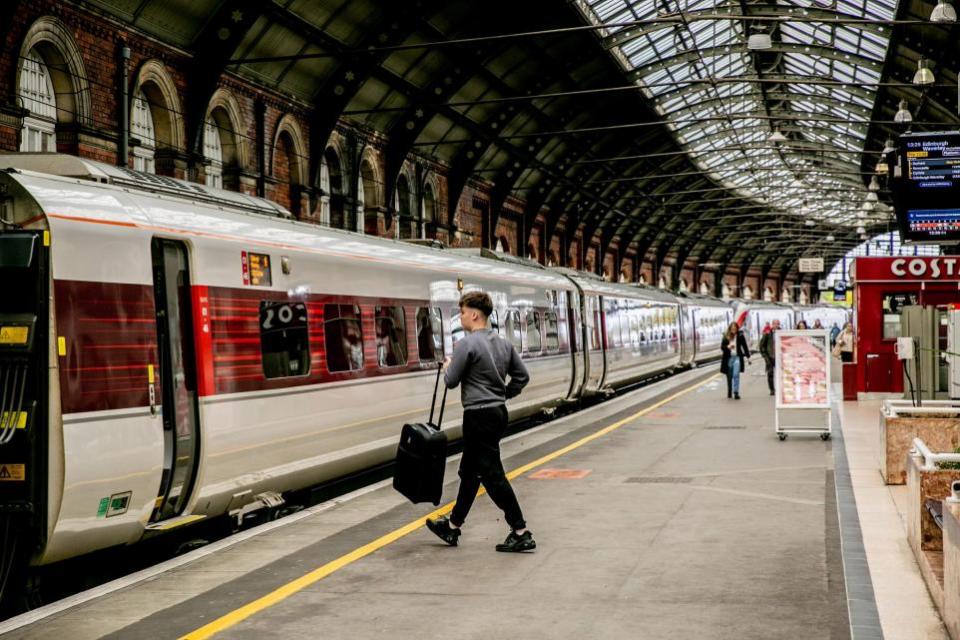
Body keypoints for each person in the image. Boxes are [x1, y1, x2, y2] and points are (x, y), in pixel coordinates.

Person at [425, 291, 534, 553]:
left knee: (492, 474)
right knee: (471, 472)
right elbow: (522, 377)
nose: (460, 316)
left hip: (477, 416)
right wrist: (503, 394)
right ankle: (452, 526)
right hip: (497, 413)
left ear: (475, 314)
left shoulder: (466, 344)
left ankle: (520, 530)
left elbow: (451, 381)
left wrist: (449, 365)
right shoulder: (504, 344)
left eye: (462, 312)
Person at [720, 321, 750, 400]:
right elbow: (722, 347)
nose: (734, 330)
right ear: (730, 329)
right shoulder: (726, 336)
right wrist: (728, 347)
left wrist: (748, 357)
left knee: (736, 374)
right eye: (732, 328)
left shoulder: (740, 336)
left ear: (737, 329)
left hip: (737, 357)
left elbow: (744, 346)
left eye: (735, 328)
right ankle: (729, 391)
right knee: (729, 376)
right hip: (729, 358)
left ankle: (736, 392)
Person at [758, 319, 780, 396]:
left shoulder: (782, 333)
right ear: (772, 324)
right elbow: (761, 346)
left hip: (780, 357)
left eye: (777, 324)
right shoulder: (767, 333)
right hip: (770, 356)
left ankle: (780, 388)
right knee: (770, 373)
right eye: (774, 324)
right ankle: (772, 390)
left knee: (780, 374)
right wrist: (765, 356)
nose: (776, 325)